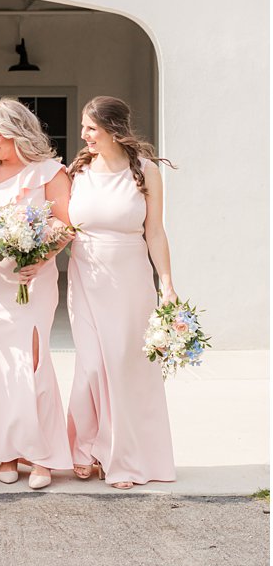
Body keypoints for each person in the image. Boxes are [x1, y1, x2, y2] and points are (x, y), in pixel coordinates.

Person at [0, 98, 74, 490]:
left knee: (31, 359)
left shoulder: (48, 173)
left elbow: (65, 225)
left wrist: (41, 259)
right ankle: (6, 451)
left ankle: (41, 453)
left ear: (18, 133)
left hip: (30, 281)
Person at [66, 96, 178, 488]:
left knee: (125, 369)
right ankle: (85, 447)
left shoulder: (145, 172)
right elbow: (62, 227)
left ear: (113, 129)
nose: (83, 135)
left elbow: (156, 232)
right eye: (83, 127)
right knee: (92, 365)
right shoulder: (77, 171)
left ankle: (123, 458)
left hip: (130, 278)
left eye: (91, 128)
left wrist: (166, 284)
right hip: (85, 274)